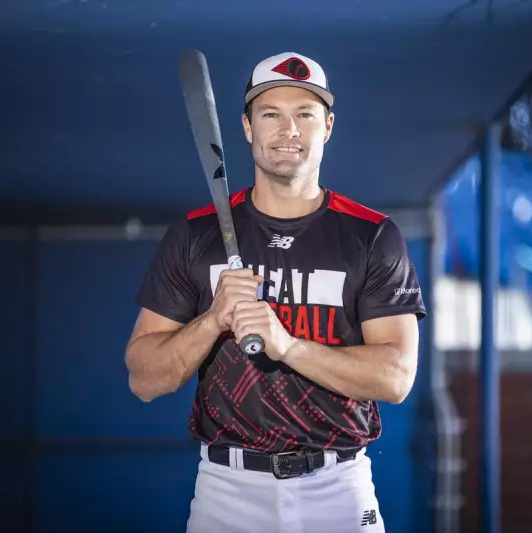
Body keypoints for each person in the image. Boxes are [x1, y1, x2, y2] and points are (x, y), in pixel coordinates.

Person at [125, 51, 427, 533]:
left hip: (338, 487)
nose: (288, 130)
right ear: (247, 127)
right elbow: (143, 378)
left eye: (304, 114)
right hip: (227, 490)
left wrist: (288, 347)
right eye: (271, 114)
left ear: (327, 127)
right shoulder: (196, 234)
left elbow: (395, 378)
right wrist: (213, 320)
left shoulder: (371, 235)